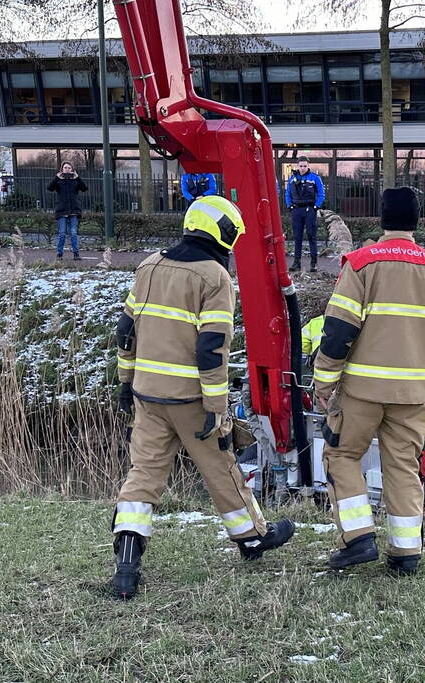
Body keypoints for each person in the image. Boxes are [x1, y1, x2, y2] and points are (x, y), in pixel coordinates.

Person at [111, 195, 295, 600]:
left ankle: (127, 564)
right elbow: (211, 349)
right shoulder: (214, 278)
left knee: (143, 474)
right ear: (222, 233)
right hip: (191, 400)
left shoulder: (149, 266)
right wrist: (216, 408)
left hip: (147, 392)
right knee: (221, 468)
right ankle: (251, 539)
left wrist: (126, 382)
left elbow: (126, 330)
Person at [313, 187, 425, 576]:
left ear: (382, 220)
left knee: (341, 456)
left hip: (361, 391)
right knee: (403, 467)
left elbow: (337, 331)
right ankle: (405, 553)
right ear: (417, 222)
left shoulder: (362, 263)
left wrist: (324, 381)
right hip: (412, 394)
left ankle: (358, 536)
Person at [285, 157, 325, 273]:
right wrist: (289, 206)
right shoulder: (292, 179)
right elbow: (288, 193)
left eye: (304, 166)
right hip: (296, 210)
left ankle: (314, 263)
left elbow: (321, 193)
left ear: (308, 166)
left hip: (309, 210)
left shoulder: (314, 178)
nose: (302, 168)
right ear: (298, 166)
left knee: (312, 236)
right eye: (300, 166)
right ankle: (296, 263)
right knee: (297, 237)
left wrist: (316, 206)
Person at [47, 162, 88, 261]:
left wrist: (77, 178)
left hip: (73, 211)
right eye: (65, 167)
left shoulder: (75, 181)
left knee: (73, 233)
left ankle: (76, 254)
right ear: (62, 169)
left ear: (72, 169)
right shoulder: (58, 181)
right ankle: (59, 254)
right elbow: (49, 188)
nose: (67, 169)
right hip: (62, 211)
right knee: (62, 234)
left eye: (69, 168)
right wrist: (57, 178)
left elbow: (84, 188)